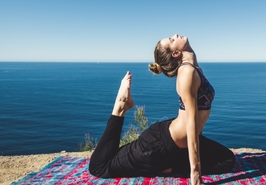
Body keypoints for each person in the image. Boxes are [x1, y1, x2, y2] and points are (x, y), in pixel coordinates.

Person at [89, 34, 235, 185]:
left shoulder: (193, 68)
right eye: (172, 40)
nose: (175, 35)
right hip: (158, 145)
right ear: (176, 54)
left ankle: (161, 166)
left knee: (227, 160)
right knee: (100, 167)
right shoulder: (187, 72)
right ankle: (120, 107)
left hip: (177, 143)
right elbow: (191, 123)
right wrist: (195, 173)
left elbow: (195, 122)